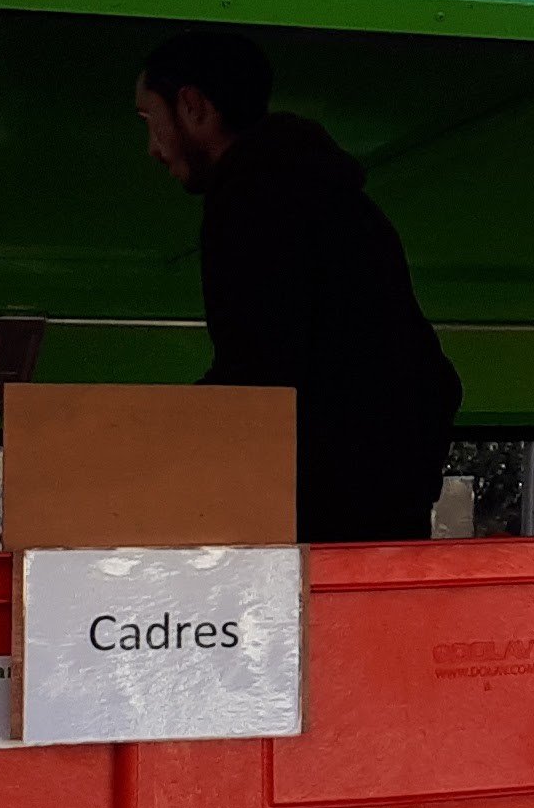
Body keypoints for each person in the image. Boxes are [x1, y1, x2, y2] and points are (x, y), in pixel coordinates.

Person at [136, 28, 463, 542]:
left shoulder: (250, 200)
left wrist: (148, 443)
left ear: (193, 106)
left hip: (319, 516)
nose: (152, 147)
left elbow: (257, 374)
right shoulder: (336, 195)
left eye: (150, 120)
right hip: (381, 504)